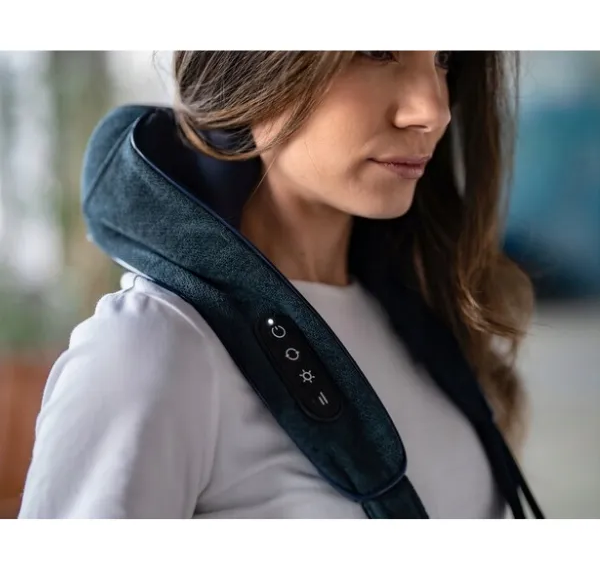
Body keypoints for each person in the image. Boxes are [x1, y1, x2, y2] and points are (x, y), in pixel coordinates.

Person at [18, 51, 537, 519]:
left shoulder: (420, 311)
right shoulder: (151, 351)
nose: (434, 110)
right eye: (375, 51)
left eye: (444, 58)